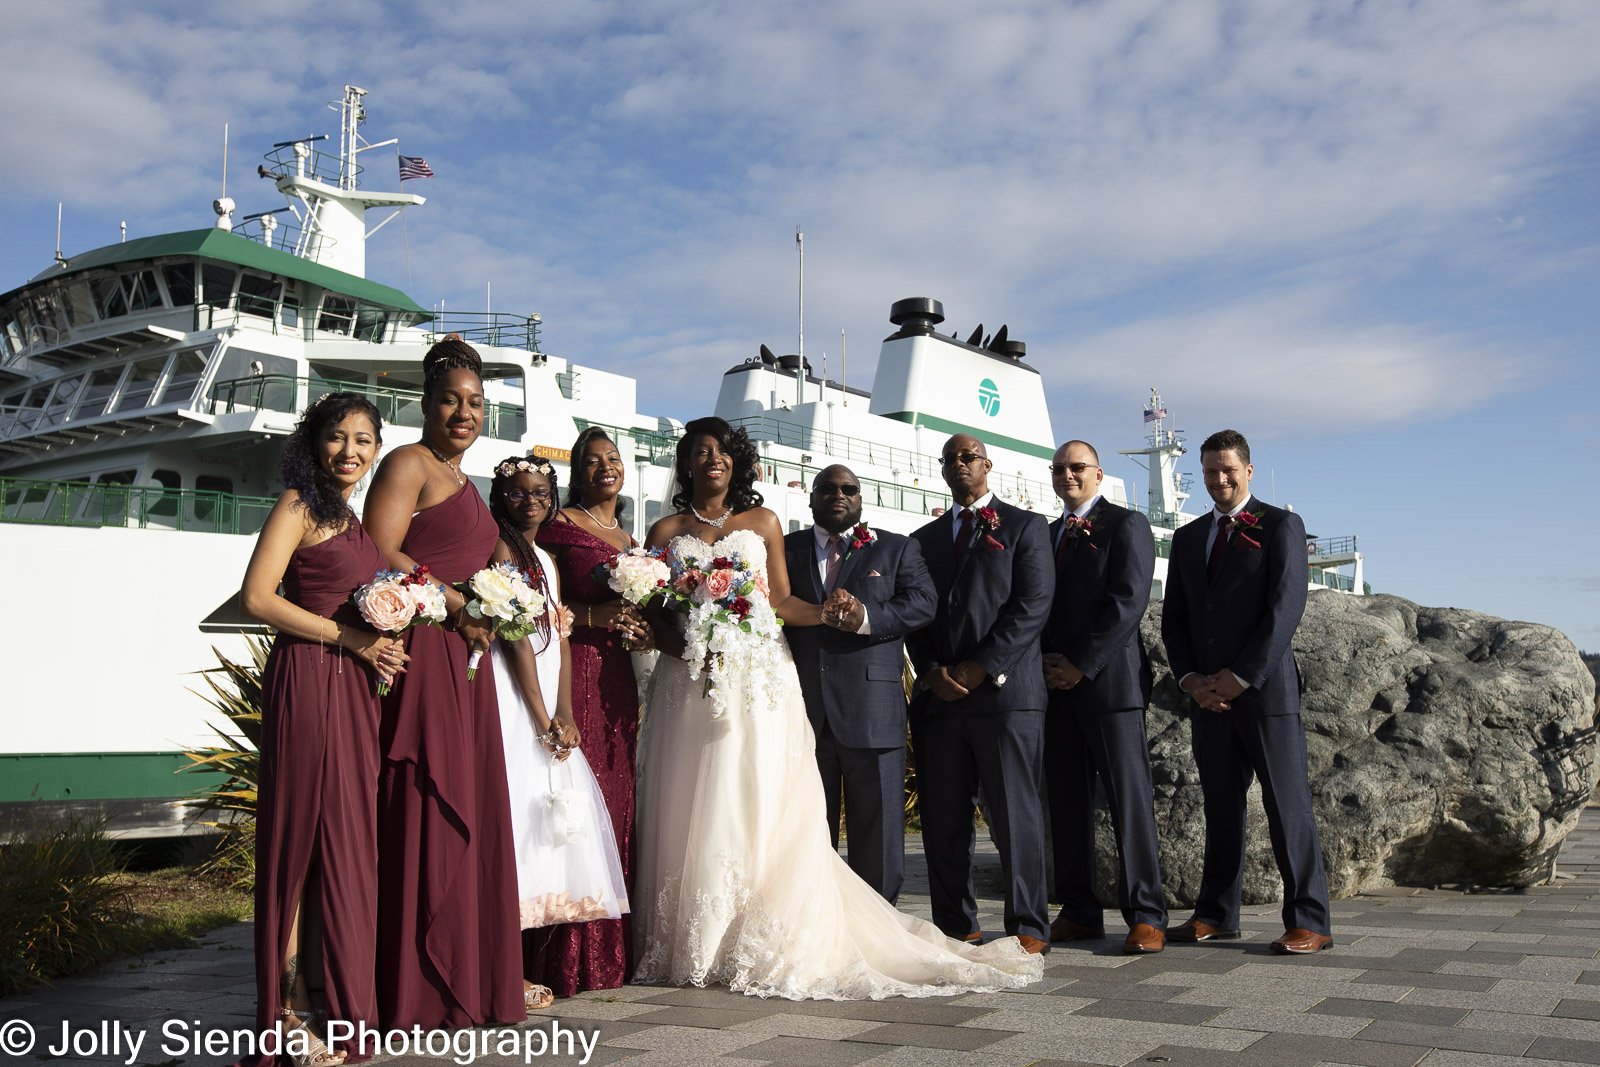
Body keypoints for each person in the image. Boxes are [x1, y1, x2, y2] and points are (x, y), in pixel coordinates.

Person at [633, 417, 1043, 999]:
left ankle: (857, 918)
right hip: (700, 680)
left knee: (773, 804)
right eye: (699, 452)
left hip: (789, 688)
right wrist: (688, 645)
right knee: (691, 799)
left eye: (721, 451)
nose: (711, 460)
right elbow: (658, 604)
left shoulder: (820, 533)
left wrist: (845, 614)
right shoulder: (673, 529)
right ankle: (697, 933)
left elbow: (794, 603)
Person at [238, 392, 407, 1067]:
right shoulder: (297, 507)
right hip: (307, 681)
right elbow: (257, 596)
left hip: (355, 695)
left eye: (364, 440)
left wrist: (384, 644)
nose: (351, 452)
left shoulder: (355, 521)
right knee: (299, 845)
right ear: (314, 441)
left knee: (342, 850)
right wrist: (349, 636)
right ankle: (282, 1016)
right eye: (338, 438)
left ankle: (326, 1004)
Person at [362, 337, 525, 1028]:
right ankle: (418, 983)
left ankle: (465, 973)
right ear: (425, 405)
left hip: (465, 662)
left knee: (467, 801)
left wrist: (494, 608)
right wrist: (457, 602)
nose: (465, 411)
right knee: (427, 799)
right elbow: (379, 545)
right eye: (452, 400)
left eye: (476, 402)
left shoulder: (465, 480)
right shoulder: (408, 462)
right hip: (423, 648)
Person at [1160, 429, 1333, 954]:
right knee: (1219, 805)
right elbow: (1176, 621)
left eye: (1228, 470)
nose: (1219, 479)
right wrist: (1191, 680)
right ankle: (1216, 913)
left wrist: (1241, 676)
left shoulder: (1281, 525)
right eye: (1211, 471)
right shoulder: (1188, 538)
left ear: (1248, 471)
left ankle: (1310, 919)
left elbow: (1285, 610)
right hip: (1207, 696)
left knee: (1287, 806)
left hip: (1265, 693)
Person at [487, 455, 629, 1005]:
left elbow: (560, 635)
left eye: (543, 493)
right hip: (514, 692)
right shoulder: (501, 551)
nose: (533, 501)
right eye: (520, 493)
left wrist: (565, 709)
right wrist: (541, 714)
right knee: (519, 817)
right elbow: (519, 635)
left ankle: (520, 961)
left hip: (550, 689)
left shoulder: (545, 556)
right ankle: (506, 968)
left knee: (546, 819)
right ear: (501, 497)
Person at [907, 434, 1053, 954]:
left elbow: (1032, 604)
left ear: (988, 464)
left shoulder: (1025, 526)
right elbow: (915, 612)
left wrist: (980, 668)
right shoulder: (921, 539)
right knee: (944, 818)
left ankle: (1028, 923)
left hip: (1005, 696)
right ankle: (954, 922)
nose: (958, 465)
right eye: (948, 459)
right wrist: (929, 672)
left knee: (1016, 814)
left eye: (967, 457)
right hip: (941, 698)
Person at [782, 463, 935, 902]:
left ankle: (880, 922)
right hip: (802, 710)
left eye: (849, 488)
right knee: (808, 827)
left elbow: (924, 604)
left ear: (861, 499)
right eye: (827, 488)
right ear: (811, 498)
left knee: (880, 831)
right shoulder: (785, 550)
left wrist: (867, 618)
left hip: (873, 707)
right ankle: (818, 922)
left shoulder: (897, 549)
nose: (838, 494)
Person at [533, 426, 651, 993]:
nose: (606, 466)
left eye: (613, 458)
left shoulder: (630, 539)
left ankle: (608, 952)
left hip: (617, 683)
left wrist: (637, 628)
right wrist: (593, 618)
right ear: (577, 473)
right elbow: (538, 602)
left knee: (617, 798)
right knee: (576, 800)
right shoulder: (559, 529)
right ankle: (564, 955)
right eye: (592, 460)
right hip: (571, 670)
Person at [1041, 440, 1166, 954]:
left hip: (1109, 686)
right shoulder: (1046, 535)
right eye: (1060, 469)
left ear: (1097, 473)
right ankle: (1079, 910)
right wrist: (1046, 665)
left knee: (1127, 800)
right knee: (1066, 803)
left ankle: (1146, 913)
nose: (1068, 475)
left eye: (1077, 468)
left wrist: (1079, 664)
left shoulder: (1125, 524)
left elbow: (1129, 600)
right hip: (1054, 690)